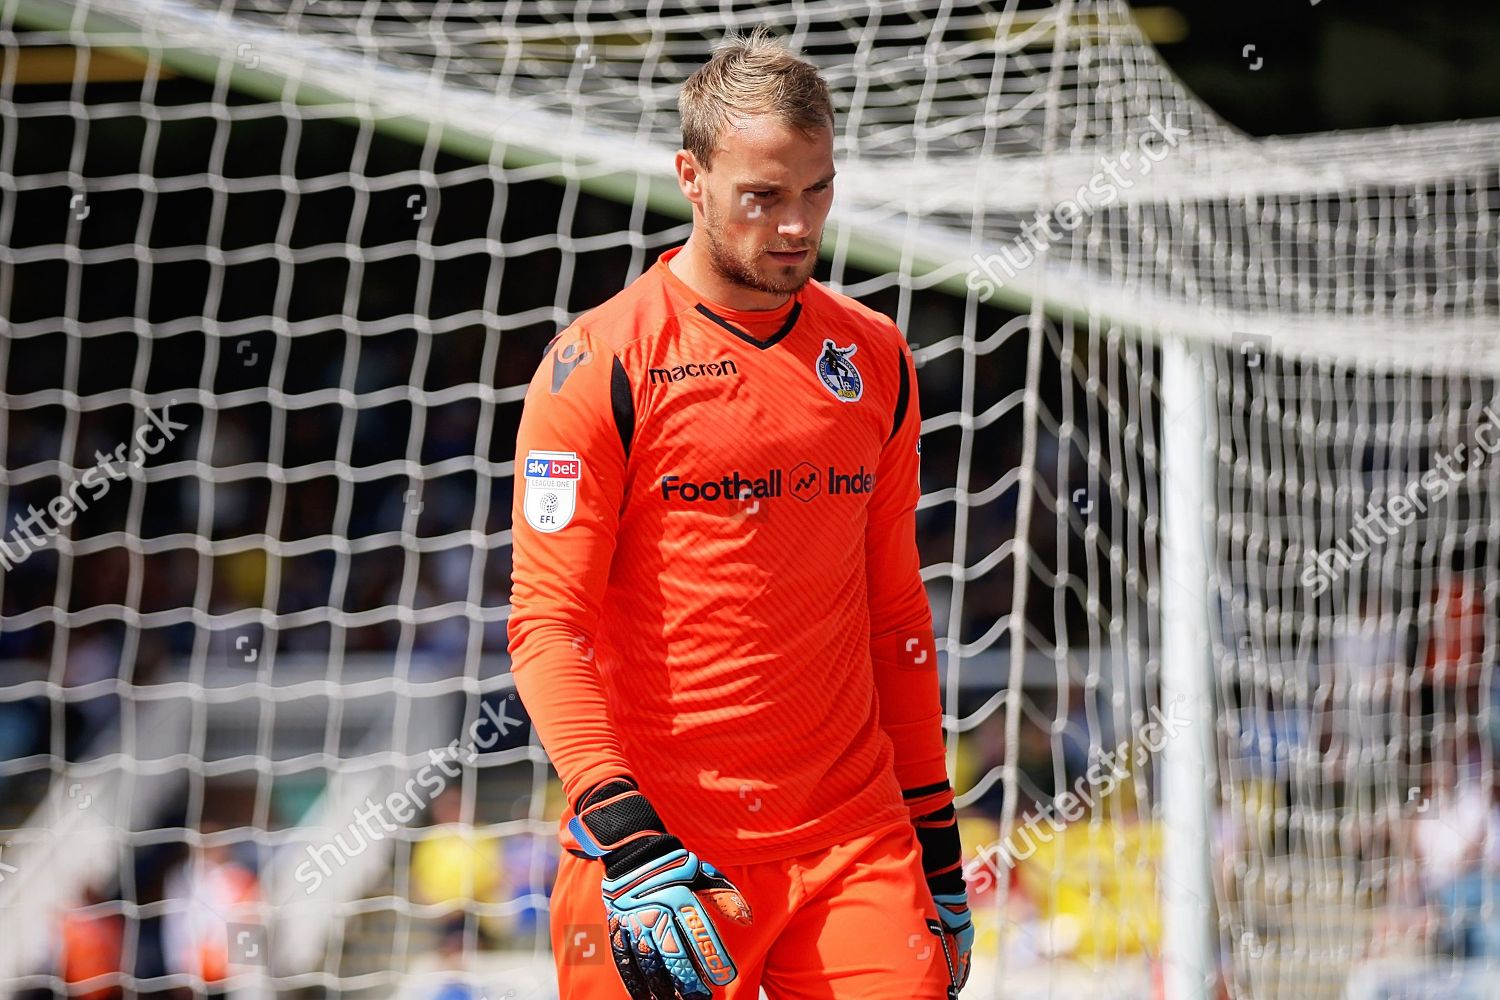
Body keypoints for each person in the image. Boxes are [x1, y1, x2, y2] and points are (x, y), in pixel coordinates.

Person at [507, 27, 971, 1000]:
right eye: (764, 195)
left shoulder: (877, 357)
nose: (798, 225)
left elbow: (896, 619)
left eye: (817, 190)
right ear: (693, 177)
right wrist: (621, 826)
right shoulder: (597, 366)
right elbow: (547, 627)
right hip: (659, 858)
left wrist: (935, 841)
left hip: (855, 845)